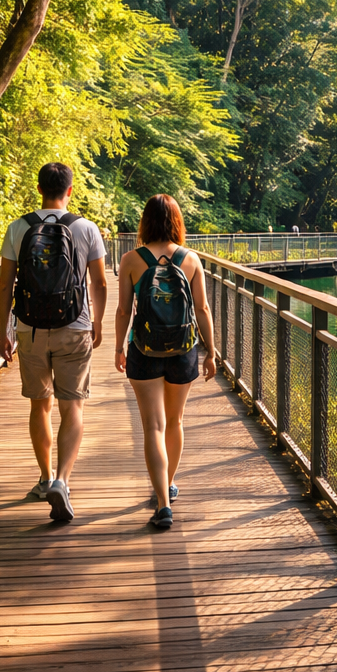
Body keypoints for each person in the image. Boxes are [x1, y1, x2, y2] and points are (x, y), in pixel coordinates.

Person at [0, 162, 108, 522]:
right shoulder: (86, 228)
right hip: (75, 325)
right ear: (70, 190)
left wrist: (4, 331)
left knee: (39, 404)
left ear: (39, 188)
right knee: (72, 405)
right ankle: (63, 479)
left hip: (29, 327)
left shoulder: (18, 227)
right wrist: (98, 322)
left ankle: (45, 478)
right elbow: (101, 283)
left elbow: (5, 285)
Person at [113, 194, 218, 530]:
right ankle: (168, 485)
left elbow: (122, 310)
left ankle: (161, 503)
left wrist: (118, 346)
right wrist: (212, 352)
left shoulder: (132, 259)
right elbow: (202, 309)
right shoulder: (191, 260)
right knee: (174, 422)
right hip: (183, 349)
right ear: (177, 221)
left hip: (143, 350)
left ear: (145, 222)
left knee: (153, 427)